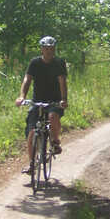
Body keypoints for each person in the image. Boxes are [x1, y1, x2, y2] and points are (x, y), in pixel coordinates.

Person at [15, 36, 68, 174]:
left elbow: (62, 81)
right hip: (37, 100)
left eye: (51, 49)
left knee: (52, 116)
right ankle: (32, 165)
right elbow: (27, 79)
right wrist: (22, 96)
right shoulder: (35, 63)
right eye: (46, 49)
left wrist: (63, 99)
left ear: (54, 49)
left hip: (54, 100)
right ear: (41, 49)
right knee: (32, 132)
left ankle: (55, 141)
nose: (48, 51)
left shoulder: (59, 63)